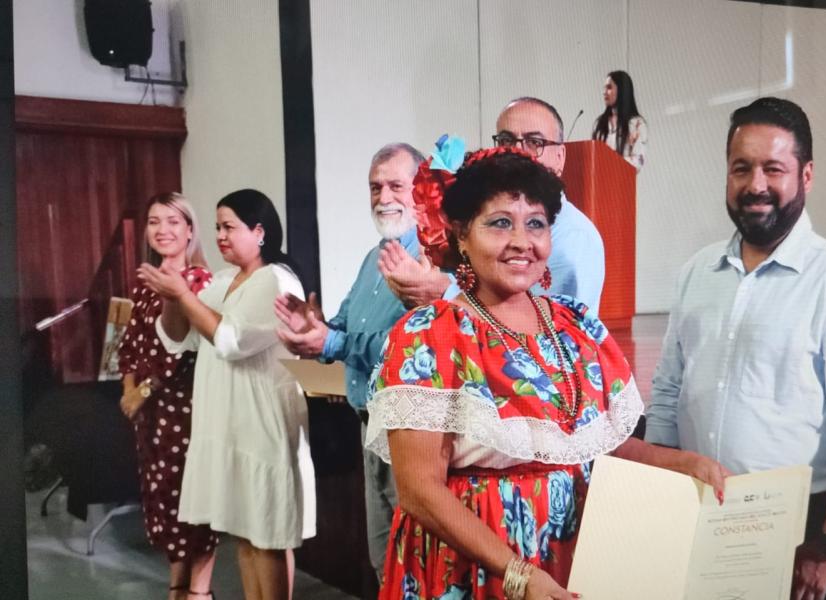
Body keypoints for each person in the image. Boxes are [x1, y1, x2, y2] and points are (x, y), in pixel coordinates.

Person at [366, 146, 727, 600]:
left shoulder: (577, 328)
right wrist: (516, 574)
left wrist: (684, 463)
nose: (522, 241)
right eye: (500, 223)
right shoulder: (430, 335)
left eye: (535, 223)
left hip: (570, 562)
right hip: (474, 570)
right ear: (460, 235)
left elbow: (602, 449)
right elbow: (419, 490)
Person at [643, 97, 826, 599]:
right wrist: (661, 493)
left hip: (794, 527)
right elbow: (669, 391)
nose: (755, 185)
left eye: (773, 169)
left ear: (806, 175)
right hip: (694, 510)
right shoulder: (698, 272)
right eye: (742, 168)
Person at [139, 189, 316, 600]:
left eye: (229, 227)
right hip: (228, 423)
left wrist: (182, 294)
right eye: (216, 227)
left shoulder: (276, 278)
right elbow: (178, 337)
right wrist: (173, 297)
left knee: (267, 535)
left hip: (262, 421)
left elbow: (231, 339)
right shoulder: (221, 281)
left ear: (259, 231)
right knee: (245, 533)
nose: (219, 235)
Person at [272, 142, 425, 581]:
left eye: (396, 185)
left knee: (415, 566)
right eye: (375, 187)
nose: (383, 197)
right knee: (384, 562)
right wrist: (315, 322)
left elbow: (407, 349)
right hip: (368, 425)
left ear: (423, 190)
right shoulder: (372, 257)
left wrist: (332, 341)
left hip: (409, 434)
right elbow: (344, 322)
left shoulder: (431, 260)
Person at [379, 97, 606, 315]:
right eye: (507, 140)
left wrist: (445, 294)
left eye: (534, 142)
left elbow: (543, 337)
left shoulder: (573, 239)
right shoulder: (481, 222)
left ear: (560, 157)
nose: (517, 152)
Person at [118, 192, 217, 600]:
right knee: (165, 506)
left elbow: (179, 354)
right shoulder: (144, 283)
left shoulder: (199, 281)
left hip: (185, 410)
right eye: (155, 221)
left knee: (192, 507)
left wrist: (142, 391)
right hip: (151, 417)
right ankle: (177, 588)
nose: (163, 230)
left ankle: (198, 592)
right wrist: (129, 388)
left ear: (190, 230)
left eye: (174, 221)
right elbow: (129, 345)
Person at [592, 70, 647, 171]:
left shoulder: (636, 124)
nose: (604, 92)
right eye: (604, 88)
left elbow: (639, 160)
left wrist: (611, 164)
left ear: (621, 90)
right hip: (601, 182)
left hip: (623, 182)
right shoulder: (599, 124)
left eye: (609, 87)